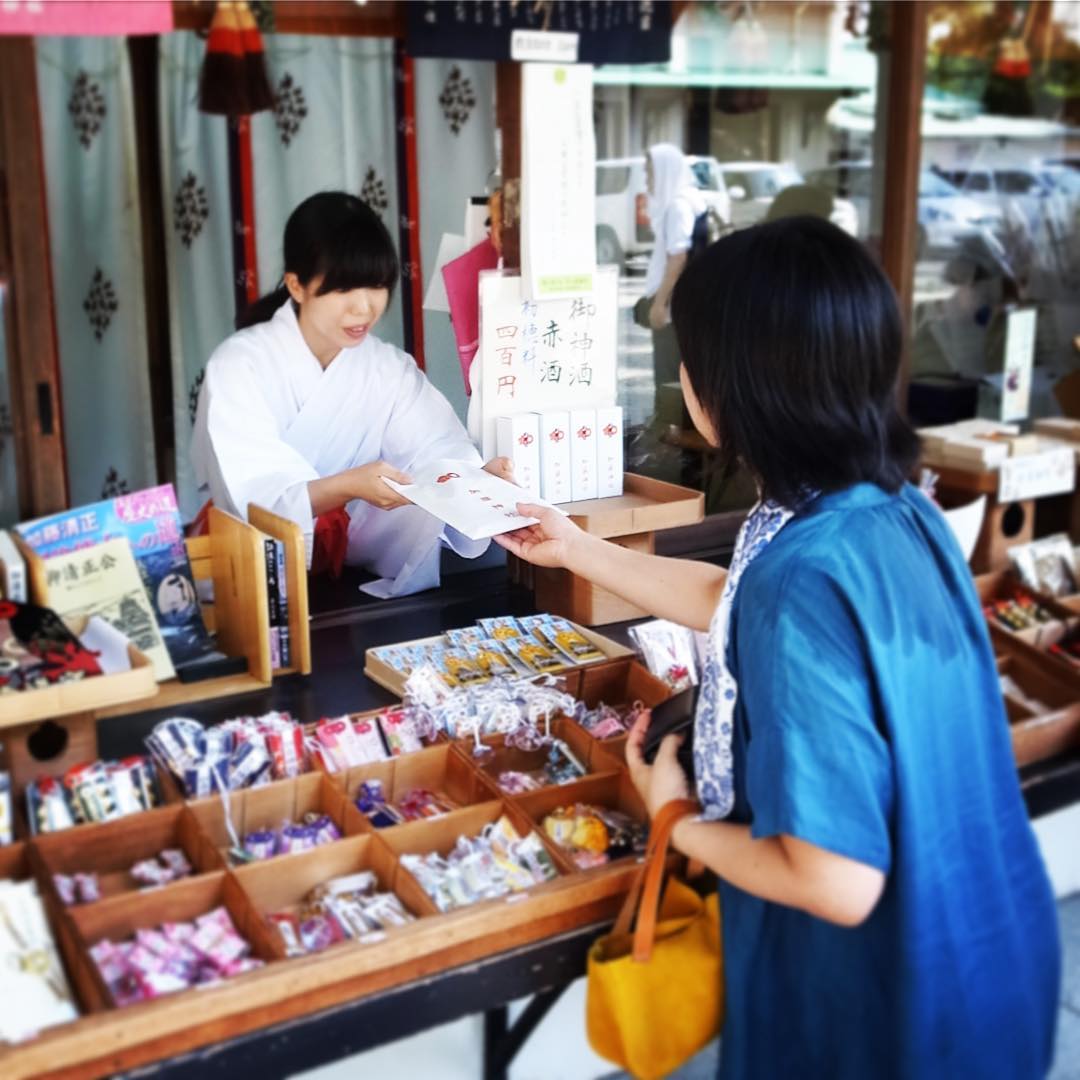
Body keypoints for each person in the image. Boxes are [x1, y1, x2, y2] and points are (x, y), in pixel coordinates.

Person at [498, 217, 1060, 1078]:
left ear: (731, 386)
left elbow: (835, 879)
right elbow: (737, 599)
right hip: (986, 954)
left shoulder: (803, 581)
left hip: (880, 1012)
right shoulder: (886, 510)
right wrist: (576, 547)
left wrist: (675, 816)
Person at [192, 192, 510, 597]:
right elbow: (252, 496)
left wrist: (476, 482)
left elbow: (435, 450)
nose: (364, 308)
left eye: (377, 286)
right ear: (297, 285)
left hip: (351, 576)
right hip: (253, 580)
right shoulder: (238, 365)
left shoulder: (387, 369)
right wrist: (347, 486)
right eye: (344, 289)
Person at [637, 143, 706, 391]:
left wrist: (659, 304)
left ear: (665, 171)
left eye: (650, 172)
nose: (647, 180)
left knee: (669, 376)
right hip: (682, 304)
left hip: (672, 308)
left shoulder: (679, 206)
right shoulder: (691, 200)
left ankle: (672, 426)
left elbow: (678, 257)